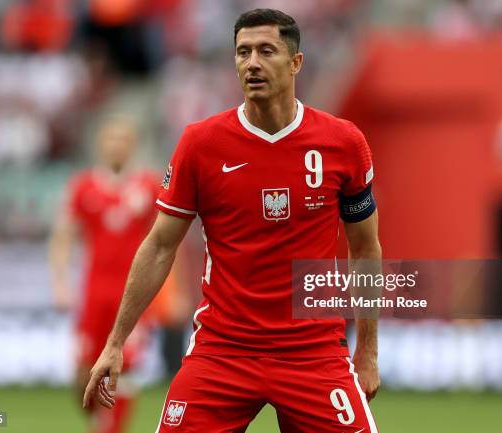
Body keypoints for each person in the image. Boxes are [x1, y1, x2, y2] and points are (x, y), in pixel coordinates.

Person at [84, 9, 382, 433]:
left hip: (312, 351)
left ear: (296, 63)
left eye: (266, 51)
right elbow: (159, 245)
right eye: (243, 52)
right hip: (222, 350)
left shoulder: (343, 142)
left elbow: (365, 248)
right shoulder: (201, 143)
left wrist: (367, 352)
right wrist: (115, 344)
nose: (252, 63)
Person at [49, 117, 160, 433]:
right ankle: (99, 420)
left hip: (133, 296)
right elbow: (63, 236)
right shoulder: (83, 186)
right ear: (100, 144)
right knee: (82, 378)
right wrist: (59, 282)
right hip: (94, 295)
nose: (117, 146)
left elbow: (166, 238)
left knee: (122, 372)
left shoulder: (149, 186)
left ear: (133, 145)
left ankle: (108, 429)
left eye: (123, 139)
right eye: (111, 139)